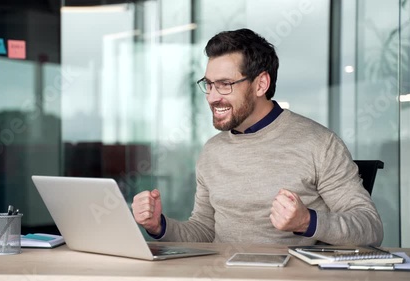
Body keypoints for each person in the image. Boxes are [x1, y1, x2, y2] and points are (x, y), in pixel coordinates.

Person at [131, 28, 383, 246]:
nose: (211, 96)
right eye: (208, 84)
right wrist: (159, 226)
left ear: (261, 84)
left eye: (225, 84)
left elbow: (370, 227)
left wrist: (307, 220)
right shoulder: (212, 151)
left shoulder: (320, 144)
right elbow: (204, 232)